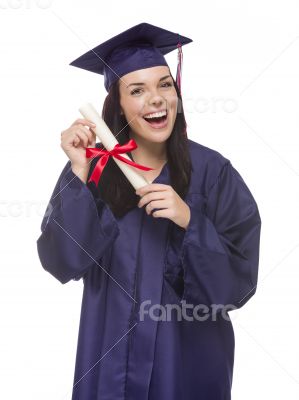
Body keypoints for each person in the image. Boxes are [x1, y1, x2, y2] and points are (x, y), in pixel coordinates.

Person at [36, 22, 262, 400]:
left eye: (164, 85)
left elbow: (239, 286)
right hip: (106, 364)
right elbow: (62, 261)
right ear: (118, 105)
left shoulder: (214, 173)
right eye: (137, 90)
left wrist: (190, 221)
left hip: (187, 369)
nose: (156, 99)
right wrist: (78, 169)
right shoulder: (93, 169)